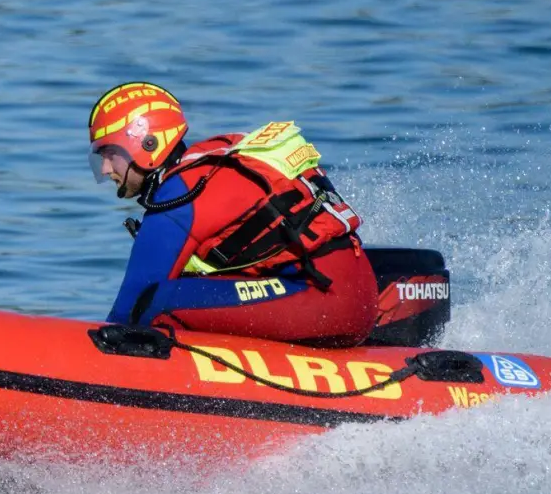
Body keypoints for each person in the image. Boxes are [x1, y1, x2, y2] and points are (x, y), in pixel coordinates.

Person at [87, 81, 376, 346]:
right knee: (185, 292)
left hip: (326, 302)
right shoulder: (210, 162)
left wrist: (89, 356)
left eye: (109, 154)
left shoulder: (178, 195)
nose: (105, 169)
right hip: (350, 296)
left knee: (154, 301)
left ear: (146, 144)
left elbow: (129, 308)